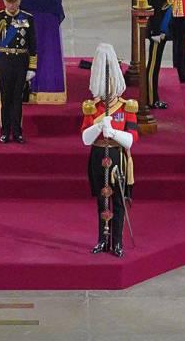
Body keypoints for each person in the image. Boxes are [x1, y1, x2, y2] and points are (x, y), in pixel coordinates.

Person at [80, 43, 138, 258]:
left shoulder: (126, 106)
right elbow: (85, 139)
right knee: (101, 200)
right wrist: (97, 126)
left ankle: (118, 241)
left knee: (119, 201)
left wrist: (111, 132)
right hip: (97, 154)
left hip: (117, 156)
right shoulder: (92, 107)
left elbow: (131, 139)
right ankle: (102, 239)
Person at [0, 0, 37, 144]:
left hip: (21, 61)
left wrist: (32, 67)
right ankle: (4, 131)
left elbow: (33, 43)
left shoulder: (28, 18)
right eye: (8, 1)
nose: (11, 5)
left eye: (14, 1)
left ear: (19, 1)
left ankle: (17, 132)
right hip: (3, 62)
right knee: (5, 98)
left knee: (17, 99)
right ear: (4, 2)